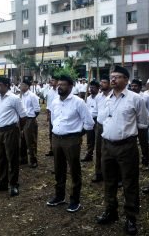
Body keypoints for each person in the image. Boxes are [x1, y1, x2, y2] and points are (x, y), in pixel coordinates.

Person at [96, 66, 148, 235]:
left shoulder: (136, 99)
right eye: (112, 77)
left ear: (126, 80)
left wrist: (137, 144)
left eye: (117, 77)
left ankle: (131, 217)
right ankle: (111, 211)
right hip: (107, 145)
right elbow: (101, 120)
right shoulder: (105, 98)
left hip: (127, 146)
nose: (113, 80)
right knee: (109, 181)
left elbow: (142, 124)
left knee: (129, 182)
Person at [46, 75, 94, 213]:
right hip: (56, 138)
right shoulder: (55, 101)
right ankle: (59, 196)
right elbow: (54, 119)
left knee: (74, 169)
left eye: (63, 84)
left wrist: (77, 135)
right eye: (59, 84)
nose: (59, 87)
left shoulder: (78, 102)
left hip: (71, 140)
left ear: (71, 86)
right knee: (58, 168)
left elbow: (89, 123)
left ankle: (75, 200)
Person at [0, 77, 27, 197]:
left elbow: (23, 116)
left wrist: (19, 130)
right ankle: (3, 182)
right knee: (0, 158)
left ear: (6, 85)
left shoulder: (14, 98)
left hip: (11, 131)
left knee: (12, 158)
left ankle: (14, 185)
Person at [92, 76, 112, 183]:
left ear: (109, 84)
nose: (102, 84)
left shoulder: (114, 96)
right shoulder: (98, 97)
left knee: (111, 151)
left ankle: (113, 175)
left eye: (104, 82)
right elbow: (96, 111)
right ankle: (98, 173)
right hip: (100, 125)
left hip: (111, 126)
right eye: (101, 82)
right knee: (99, 150)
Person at [131, 79, 149, 170]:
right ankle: (133, 162)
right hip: (132, 123)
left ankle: (145, 162)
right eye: (132, 86)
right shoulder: (129, 97)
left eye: (135, 86)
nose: (133, 88)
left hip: (142, 124)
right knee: (132, 144)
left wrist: (148, 117)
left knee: (144, 143)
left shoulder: (146, 97)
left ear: (140, 87)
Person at [20, 79, 41, 168]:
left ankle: (33, 160)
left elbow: (37, 110)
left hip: (30, 119)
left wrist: (31, 120)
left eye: (23, 85)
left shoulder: (32, 96)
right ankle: (23, 158)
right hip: (22, 119)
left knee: (31, 141)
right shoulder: (20, 96)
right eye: (20, 85)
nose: (21, 86)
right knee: (22, 140)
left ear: (27, 86)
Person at [81, 80, 100, 162]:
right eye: (90, 87)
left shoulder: (101, 98)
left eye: (93, 88)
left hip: (98, 120)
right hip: (89, 120)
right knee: (89, 138)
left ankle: (99, 157)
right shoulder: (87, 98)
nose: (91, 89)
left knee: (98, 139)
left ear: (98, 88)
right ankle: (89, 155)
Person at [45, 76, 59, 156]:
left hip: (59, 115)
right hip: (52, 115)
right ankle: (52, 149)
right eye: (51, 80)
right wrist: (48, 114)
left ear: (57, 82)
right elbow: (48, 104)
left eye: (53, 80)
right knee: (51, 132)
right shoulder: (50, 91)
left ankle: (58, 149)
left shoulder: (60, 90)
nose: (51, 81)